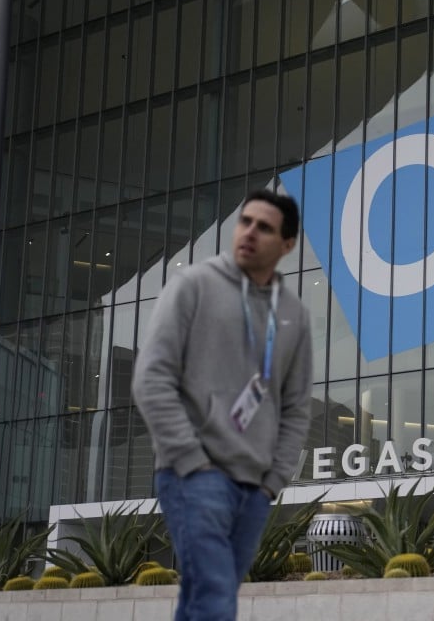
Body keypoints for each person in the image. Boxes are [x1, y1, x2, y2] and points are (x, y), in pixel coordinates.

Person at [133, 189, 312, 621]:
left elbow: (296, 407)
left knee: (203, 595)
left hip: (254, 486)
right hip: (196, 475)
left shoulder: (293, 314)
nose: (249, 232)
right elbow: (151, 379)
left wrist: (272, 481)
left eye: (264, 227)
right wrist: (191, 459)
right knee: (215, 595)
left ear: (286, 245)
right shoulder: (193, 286)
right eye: (245, 221)